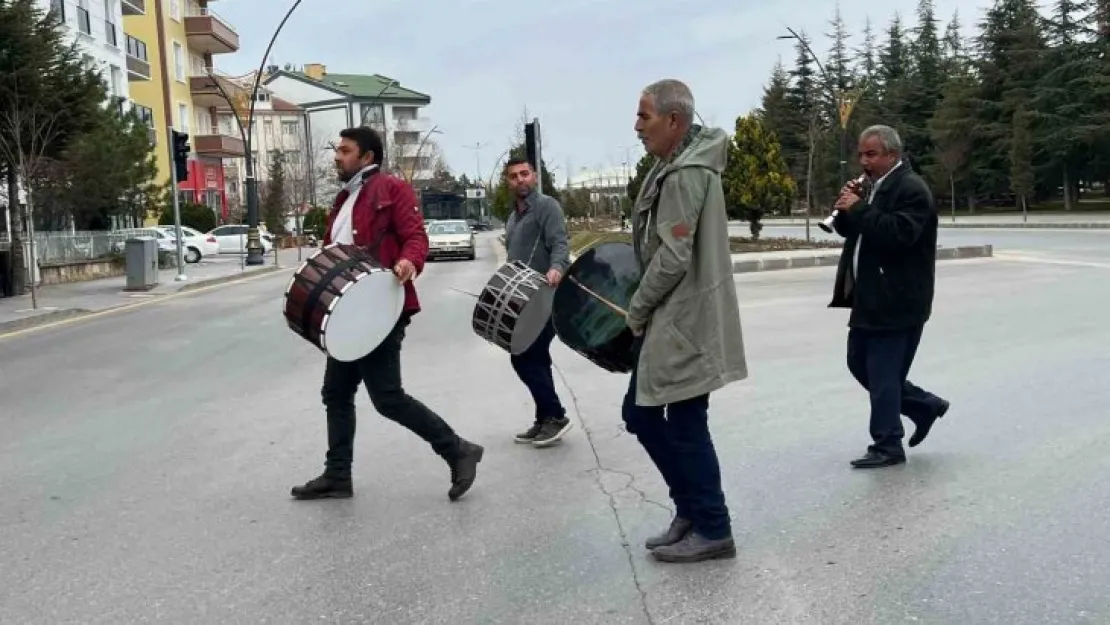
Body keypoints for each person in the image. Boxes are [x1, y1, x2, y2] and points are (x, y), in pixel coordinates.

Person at [291, 126, 483, 501]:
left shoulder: (392, 189)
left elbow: (416, 236)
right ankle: (338, 475)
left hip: (380, 309)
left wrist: (409, 261)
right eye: (338, 150)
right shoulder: (344, 199)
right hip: (348, 314)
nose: (337, 156)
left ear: (367, 157)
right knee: (336, 392)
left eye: (345, 150)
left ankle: (457, 450)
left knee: (387, 397)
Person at [625, 79, 747, 563]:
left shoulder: (684, 174)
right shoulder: (676, 165)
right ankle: (693, 512)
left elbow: (673, 257)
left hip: (682, 320)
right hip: (678, 318)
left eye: (644, 116)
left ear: (674, 121)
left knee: (676, 421)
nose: (637, 127)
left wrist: (636, 309)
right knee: (649, 415)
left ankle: (712, 525)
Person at [830, 124, 951, 469]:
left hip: (898, 300)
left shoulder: (912, 189)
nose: (863, 161)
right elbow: (853, 229)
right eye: (861, 154)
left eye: (871, 154)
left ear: (892, 155)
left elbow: (899, 235)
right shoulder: (874, 187)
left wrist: (860, 209)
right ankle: (923, 405)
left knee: (883, 375)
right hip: (870, 297)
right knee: (859, 363)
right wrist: (843, 210)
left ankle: (887, 444)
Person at [502, 157, 573, 448]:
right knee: (534, 357)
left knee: (524, 355)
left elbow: (559, 242)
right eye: (514, 176)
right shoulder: (513, 217)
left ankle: (555, 415)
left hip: (546, 296)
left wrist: (557, 267)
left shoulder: (546, 206)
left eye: (525, 174)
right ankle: (544, 417)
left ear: (534, 176)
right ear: (508, 182)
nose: (520, 179)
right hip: (523, 298)